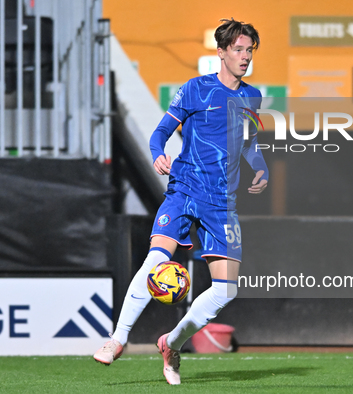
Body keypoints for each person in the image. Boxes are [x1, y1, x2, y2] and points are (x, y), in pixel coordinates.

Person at [93, 18, 268, 385]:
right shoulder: (196, 89)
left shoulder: (252, 96)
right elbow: (160, 133)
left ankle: (172, 344)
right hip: (184, 190)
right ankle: (117, 339)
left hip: (221, 204)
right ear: (221, 53)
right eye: (238, 49)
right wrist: (158, 153)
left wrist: (260, 167)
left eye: (249, 50)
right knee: (156, 260)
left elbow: (248, 141)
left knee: (226, 290)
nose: (245, 56)